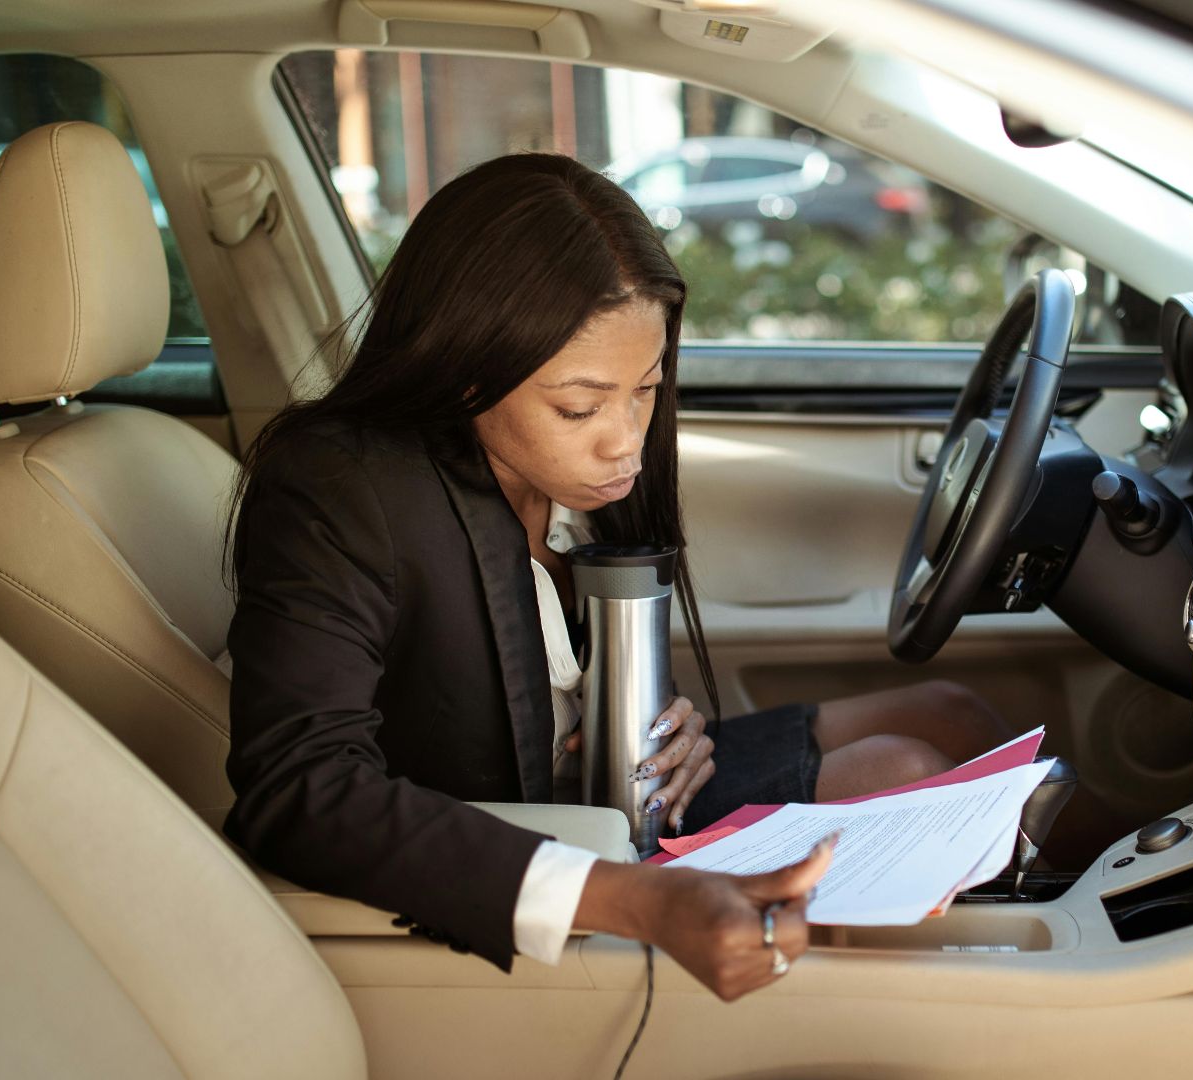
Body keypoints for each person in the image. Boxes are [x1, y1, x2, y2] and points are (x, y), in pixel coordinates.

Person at [222, 152, 1013, 1001]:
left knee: (949, 712)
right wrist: (638, 899)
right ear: (464, 368)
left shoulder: (572, 485)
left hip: (624, 797)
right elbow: (300, 790)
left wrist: (676, 730)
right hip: (536, 847)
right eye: (579, 407)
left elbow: (567, 679)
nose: (626, 441)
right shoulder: (341, 486)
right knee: (902, 766)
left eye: (647, 389)